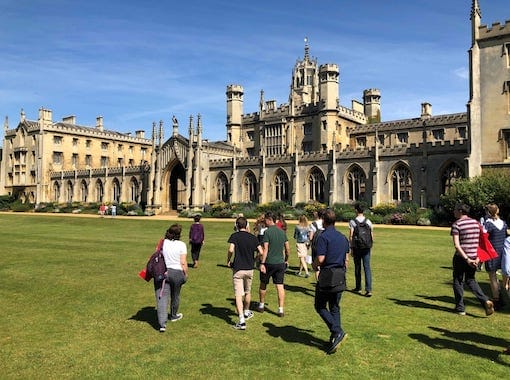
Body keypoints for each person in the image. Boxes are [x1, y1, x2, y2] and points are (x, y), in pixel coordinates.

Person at [312, 208, 350, 355]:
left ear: (324, 221)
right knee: (334, 306)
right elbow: (347, 259)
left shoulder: (323, 237)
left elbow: (321, 259)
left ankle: (337, 331)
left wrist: (314, 265)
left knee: (320, 305)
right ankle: (335, 336)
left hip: (328, 274)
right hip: (340, 274)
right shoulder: (342, 237)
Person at [450, 203, 494, 316]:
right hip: (475, 256)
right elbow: (482, 242)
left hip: (462, 257)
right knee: (471, 280)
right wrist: (478, 258)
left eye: (455, 210)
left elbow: (457, 245)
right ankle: (485, 300)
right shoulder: (476, 223)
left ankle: (460, 308)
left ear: (460, 211)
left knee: (458, 280)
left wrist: (466, 259)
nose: (454, 212)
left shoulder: (457, 224)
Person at [227, 216, 264, 330]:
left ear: (237, 226)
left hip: (238, 268)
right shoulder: (252, 237)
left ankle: (242, 320)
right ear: (246, 225)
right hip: (249, 268)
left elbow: (231, 249)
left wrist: (228, 260)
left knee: (238, 294)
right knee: (248, 291)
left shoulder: (235, 236)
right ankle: (246, 311)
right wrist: (255, 259)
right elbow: (261, 252)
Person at [257, 211, 290, 317]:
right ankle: (280, 309)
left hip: (269, 262)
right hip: (280, 262)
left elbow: (265, 249)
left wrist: (262, 262)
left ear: (269, 220)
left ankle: (261, 305)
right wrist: (286, 259)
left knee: (263, 283)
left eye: (265, 220)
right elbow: (288, 249)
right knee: (280, 286)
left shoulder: (267, 232)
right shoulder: (282, 232)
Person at [157, 224, 188, 332]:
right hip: (177, 272)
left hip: (165, 271)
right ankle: (173, 315)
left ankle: (162, 323)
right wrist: (186, 274)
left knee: (163, 297)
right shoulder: (182, 245)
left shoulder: (163, 243)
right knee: (175, 295)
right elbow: (183, 262)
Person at [482, 203, 507, 310]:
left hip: (492, 252)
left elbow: (483, 237)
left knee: (492, 276)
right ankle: (503, 296)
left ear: (488, 212)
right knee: (505, 276)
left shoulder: (488, 224)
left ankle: (497, 300)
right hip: (503, 251)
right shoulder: (504, 223)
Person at [349, 203, 374, 297]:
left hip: (357, 247)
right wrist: (370, 245)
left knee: (358, 267)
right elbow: (372, 235)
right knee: (367, 267)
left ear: (356, 210)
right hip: (366, 247)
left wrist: (351, 248)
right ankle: (368, 289)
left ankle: (358, 287)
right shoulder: (368, 221)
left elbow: (351, 236)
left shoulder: (352, 222)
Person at [309, 209, 325, 280]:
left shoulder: (314, 224)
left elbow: (310, 237)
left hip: (316, 246)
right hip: (325, 245)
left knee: (316, 266)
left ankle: (319, 283)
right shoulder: (326, 223)